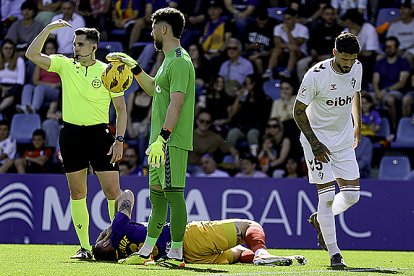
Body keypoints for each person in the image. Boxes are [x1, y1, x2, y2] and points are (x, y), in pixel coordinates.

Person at [25, 21, 127, 259]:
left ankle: (118, 247)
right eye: (74, 43)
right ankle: (85, 248)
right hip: (71, 135)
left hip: (100, 135)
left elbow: (121, 109)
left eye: (80, 44)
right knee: (77, 192)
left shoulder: (108, 71)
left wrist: (119, 140)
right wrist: (48, 30)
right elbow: (31, 54)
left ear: (94, 47)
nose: (76, 48)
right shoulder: (64, 65)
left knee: (113, 191)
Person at [106, 7, 195, 266]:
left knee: (174, 194)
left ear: (164, 29)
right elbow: (156, 90)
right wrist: (134, 67)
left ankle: (176, 253)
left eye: (154, 27)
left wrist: (163, 138)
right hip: (158, 143)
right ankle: (146, 252)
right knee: (156, 198)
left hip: (170, 141)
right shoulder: (168, 60)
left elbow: (176, 103)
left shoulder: (179, 60)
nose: (152, 32)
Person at [293, 32, 362, 268]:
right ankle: (335, 254)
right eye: (344, 59)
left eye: (352, 59)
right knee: (328, 196)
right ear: (334, 53)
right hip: (318, 141)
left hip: (343, 142)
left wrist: (357, 127)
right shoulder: (316, 76)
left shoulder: (357, 68)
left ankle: (321, 220)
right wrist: (315, 144)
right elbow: (298, 111)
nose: (348, 64)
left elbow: (356, 95)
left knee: (352, 196)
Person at [93, 190, 307, 266]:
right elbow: (127, 194)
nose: (103, 234)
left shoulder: (122, 259)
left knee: (237, 253)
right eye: (100, 237)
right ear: (104, 242)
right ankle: (262, 253)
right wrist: (113, 224)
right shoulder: (118, 228)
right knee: (249, 226)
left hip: (185, 257)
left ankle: (273, 259)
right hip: (186, 236)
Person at [17, 38, 61, 114]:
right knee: (28, 86)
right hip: (43, 87)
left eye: (52, 48)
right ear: (45, 50)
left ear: (56, 50)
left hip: (55, 91)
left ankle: (34, 109)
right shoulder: (40, 63)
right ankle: (25, 108)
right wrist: (49, 85)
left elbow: (63, 82)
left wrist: (54, 85)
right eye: (48, 49)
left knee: (40, 88)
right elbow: (35, 81)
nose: (50, 51)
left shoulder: (60, 63)